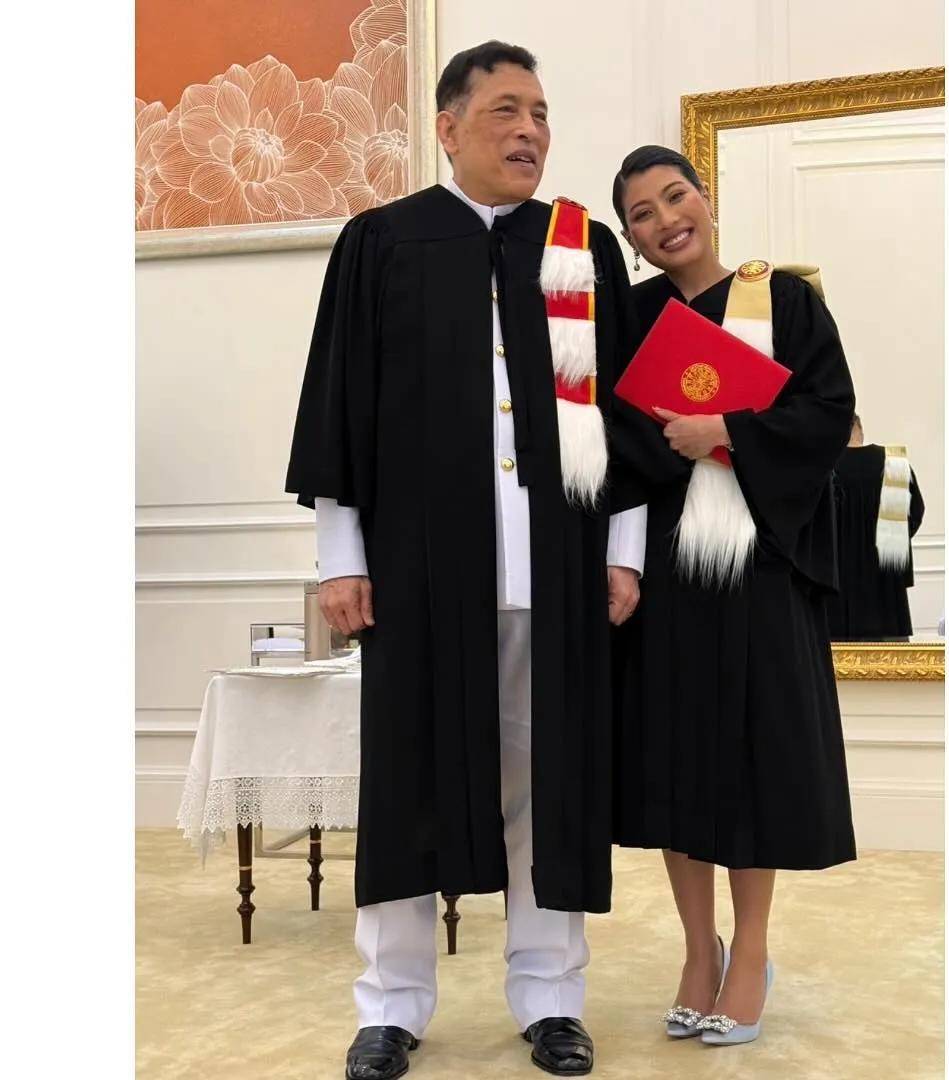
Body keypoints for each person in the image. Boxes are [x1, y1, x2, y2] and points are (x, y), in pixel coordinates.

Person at [286, 41, 646, 1080]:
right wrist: (341, 555)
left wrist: (624, 550)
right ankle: (390, 1005)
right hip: (418, 571)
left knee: (552, 787)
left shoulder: (581, 248)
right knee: (406, 782)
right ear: (447, 128)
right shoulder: (380, 242)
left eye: (541, 112)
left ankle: (551, 997)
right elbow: (342, 409)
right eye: (505, 111)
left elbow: (617, 410)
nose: (530, 130)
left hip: (559, 566)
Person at [607, 145, 857, 1047]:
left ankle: (749, 954)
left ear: (705, 198)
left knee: (752, 761)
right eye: (642, 214)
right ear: (632, 239)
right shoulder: (632, 320)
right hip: (671, 569)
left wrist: (727, 430)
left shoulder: (782, 300)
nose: (666, 220)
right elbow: (611, 439)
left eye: (676, 196)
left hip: (759, 568)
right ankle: (696, 951)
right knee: (677, 761)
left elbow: (829, 415)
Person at [826, 414, 926, 640]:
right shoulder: (894, 463)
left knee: (837, 658)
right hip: (886, 587)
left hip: (837, 587)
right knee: (891, 659)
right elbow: (915, 514)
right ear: (859, 429)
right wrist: (890, 540)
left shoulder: (824, 466)